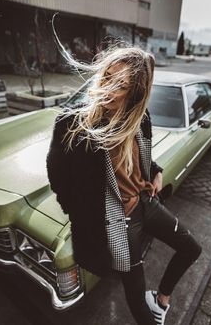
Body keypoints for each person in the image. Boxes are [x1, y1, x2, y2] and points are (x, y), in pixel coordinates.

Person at [46, 44, 202, 325]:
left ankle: (161, 301)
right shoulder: (72, 124)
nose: (107, 89)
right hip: (117, 222)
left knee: (192, 248)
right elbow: (57, 177)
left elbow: (143, 159)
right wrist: (82, 216)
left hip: (145, 203)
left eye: (119, 85)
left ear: (135, 94)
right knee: (136, 297)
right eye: (106, 77)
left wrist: (155, 172)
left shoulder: (141, 120)